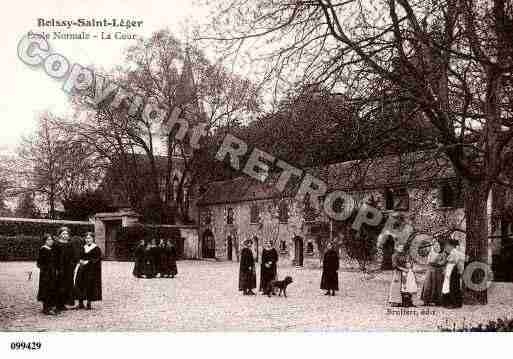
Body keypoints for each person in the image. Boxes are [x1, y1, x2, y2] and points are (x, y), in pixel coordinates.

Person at [74, 232, 102, 310]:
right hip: (82, 269)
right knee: (80, 284)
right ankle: (80, 303)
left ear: (93, 239)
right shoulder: (83, 247)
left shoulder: (96, 248)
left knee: (89, 285)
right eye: (86, 238)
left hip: (91, 270)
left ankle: (89, 303)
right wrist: (80, 260)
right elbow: (79, 256)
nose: (88, 240)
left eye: (89, 238)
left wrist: (89, 262)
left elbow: (97, 259)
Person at [54, 226, 76, 312]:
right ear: (59, 235)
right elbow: (55, 257)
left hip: (69, 268)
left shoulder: (70, 244)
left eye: (66, 233)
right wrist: (56, 268)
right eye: (63, 233)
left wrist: (73, 265)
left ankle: (63, 304)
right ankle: (58, 304)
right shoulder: (57, 244)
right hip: (60, 268)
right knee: (59, 286)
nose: (65, 235)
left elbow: (73, 256)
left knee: (67, 286)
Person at [421, 239, 447, 306]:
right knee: (428, 285)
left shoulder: (443, 253)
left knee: (438, 286)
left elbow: (443, 262)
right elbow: (428, 261)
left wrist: (437, 263)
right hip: (431, 271)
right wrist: (433, 262)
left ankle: (437, 301)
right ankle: (426, 300)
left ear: (440, 246)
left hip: (438, 271)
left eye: (438, 245)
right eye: (435, 245)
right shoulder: (431, 253)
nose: (436, 246)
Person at [37, 233, 57, 315]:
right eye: (48, 239)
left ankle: (50, 306)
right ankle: (46, 308)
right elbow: (39, 263)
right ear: (45, 241)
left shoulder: (52, 249)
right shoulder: (43, 249)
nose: (50, 241)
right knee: (45, 289)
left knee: (52, 288)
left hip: (52, 273)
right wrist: (45, 270)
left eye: (51, 239)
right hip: (45, 273)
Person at [441, 238, 465, 309]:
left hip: (453, 270)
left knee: (453, 286)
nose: (447, 247)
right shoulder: (451, 252)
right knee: (448, 286)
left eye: (448, 245)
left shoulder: (455, 252)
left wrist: (459, 270)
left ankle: (455, 303)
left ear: (452, 246)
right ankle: (450, 302)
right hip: (450, 270)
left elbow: (457, 262)